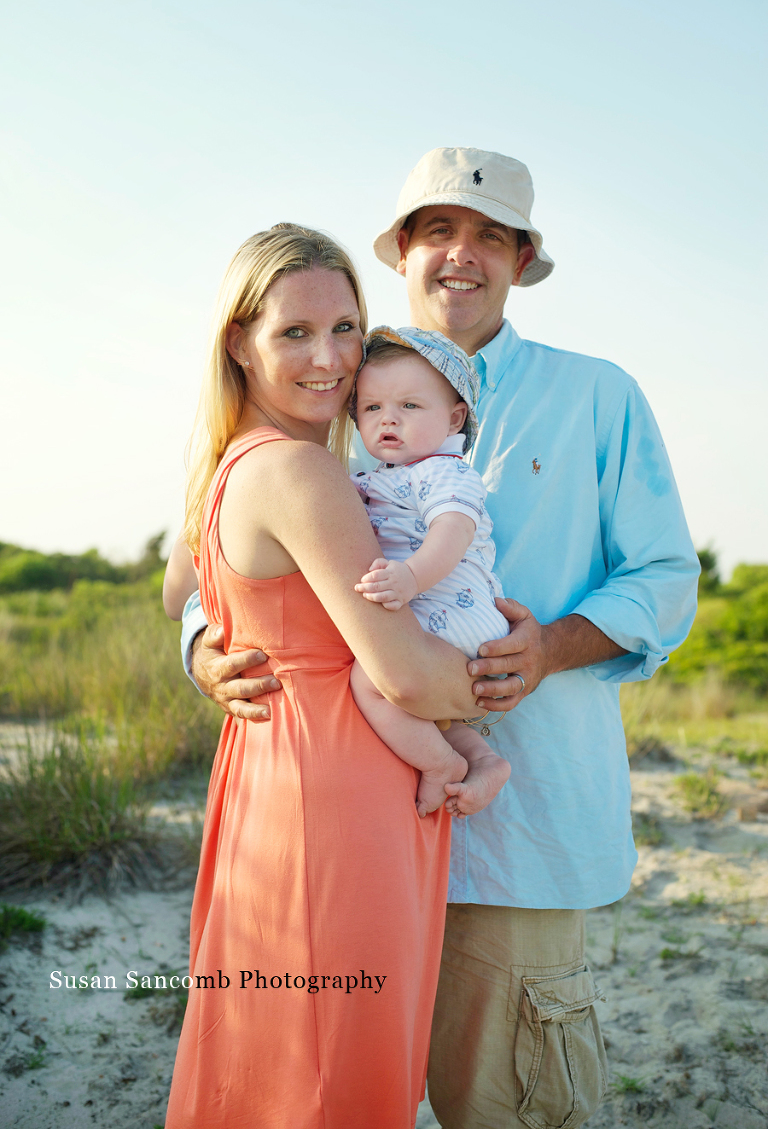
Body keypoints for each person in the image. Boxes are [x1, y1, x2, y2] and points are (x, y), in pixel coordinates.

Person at [178, 149, 700, 1129]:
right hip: (364, 828)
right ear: (405, 251)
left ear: (521, 258)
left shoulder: (597, 394)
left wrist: (551, 647)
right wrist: (204, 643)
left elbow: (666, 578)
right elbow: (249, 552)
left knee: (504, 1102)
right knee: (346, 1089)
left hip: (521, 830)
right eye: (439, 231)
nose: (463, 254)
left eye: (491, 236)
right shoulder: (344, 395)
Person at [162, 222, 483, 1129]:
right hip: (338, 800)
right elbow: (408, 676)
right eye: (295, 333)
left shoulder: (228, 467)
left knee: (272, 1055)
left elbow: (177, 589)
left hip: (274, 779)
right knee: (334, 1068)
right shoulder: (303, 472)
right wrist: (504, 675)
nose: (331, 357)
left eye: (346, 328)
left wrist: (203, 645)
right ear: (239, 341)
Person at [348, 325, 512, 819]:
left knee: (371, 679)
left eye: (409, 406)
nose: (387, 420)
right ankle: (483, 761)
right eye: (372, 408)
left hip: (451, 609)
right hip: (440, 612)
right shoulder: (380, 479)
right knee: (430, 710)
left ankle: (440, 765)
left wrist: (411, 578)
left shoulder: (445, 471)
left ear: (454, 418)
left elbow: (452, 533)